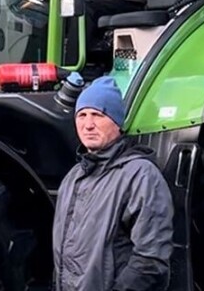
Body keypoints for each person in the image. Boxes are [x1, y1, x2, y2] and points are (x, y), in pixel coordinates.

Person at [52, 76, 174, 291]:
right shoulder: (73, 177)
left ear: (117, 122)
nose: (88, 124)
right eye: (82, 115)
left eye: (98, 115)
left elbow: (151, 260)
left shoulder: (140, 175)